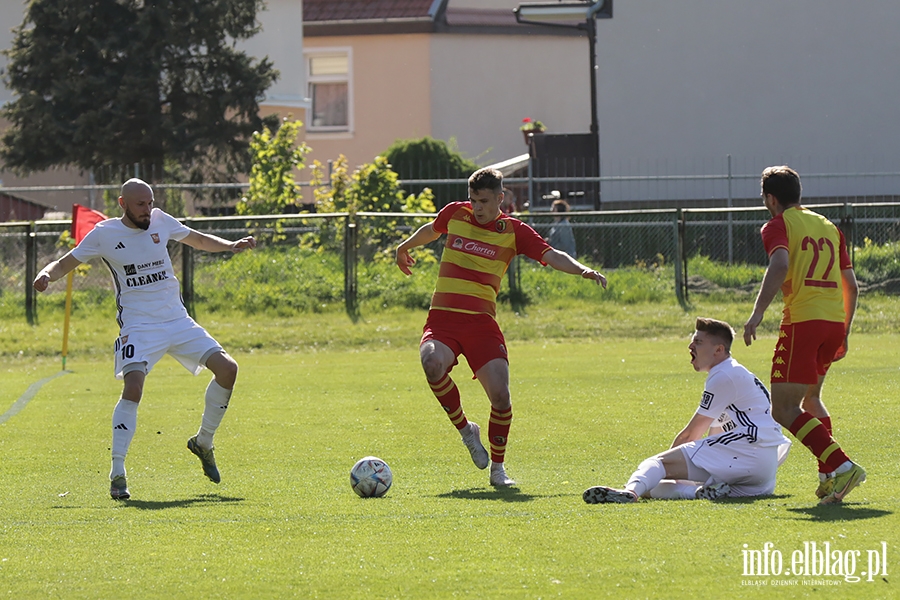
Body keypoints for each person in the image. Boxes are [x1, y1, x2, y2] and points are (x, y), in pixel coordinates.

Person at [33, 178, 257, 500]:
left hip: (177, 320)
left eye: (150, 202)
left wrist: (228, 245)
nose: (147, 209)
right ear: (123, 204)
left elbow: (196, 239)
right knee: (133, 387)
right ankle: (118, 472)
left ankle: (203, 442)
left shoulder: (161, 220)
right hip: (138, 325)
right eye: (140, 204)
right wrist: (46, 275)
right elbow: (66, 261)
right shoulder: (105, 234)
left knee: (228, 369)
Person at [396, 167, 607, 486]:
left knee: (501, 398)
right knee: (431, 363)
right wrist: (404, 247)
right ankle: (467, 432)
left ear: (500, 198)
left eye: (483, 201)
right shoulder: (456, 213)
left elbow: (552, 255)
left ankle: (498, 470)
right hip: (443, 319)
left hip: (481, 325)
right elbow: (432, 229)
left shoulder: (513, 231)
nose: (476, 207)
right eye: (473, 200)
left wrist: (583, 270)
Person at [743, 165, 864, 505]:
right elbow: (851, 286)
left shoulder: (778, 225)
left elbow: (780, 264)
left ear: (770, 198)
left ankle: (843, 466)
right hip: (832, 323)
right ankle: (830, 479)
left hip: (804, 323)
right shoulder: (828, 226)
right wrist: (845, 332)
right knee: (810, 399)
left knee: (782, 408)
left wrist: (757, 312)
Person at [583, 318, 792, 503]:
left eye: (698, 342)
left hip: (746, 451)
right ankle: (695, 493)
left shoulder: (724, 375)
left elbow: (691, 434)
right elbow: (716, 433)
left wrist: (667, 464)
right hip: (763, 470)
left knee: (654, 464)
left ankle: (629, 491)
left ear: (718, 350)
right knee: (653, 487)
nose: (690, 345)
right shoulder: (734, 372)